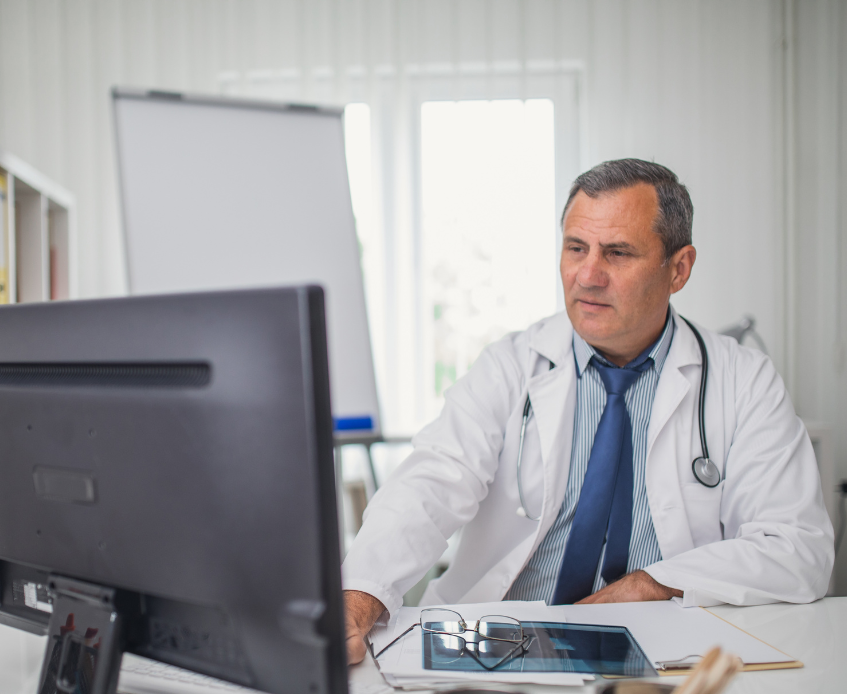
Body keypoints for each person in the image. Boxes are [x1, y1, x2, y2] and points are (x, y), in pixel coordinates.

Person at [342, 159, 834, 665]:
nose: (588, 275)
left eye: (618, 253)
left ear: (679, 268)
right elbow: (429, 485)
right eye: (576, 248)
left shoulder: (742, 381)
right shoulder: (512, 366)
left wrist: (654, 584)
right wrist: (358, 596)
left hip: (665, 653)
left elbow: (797, 547)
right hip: (501, 647)